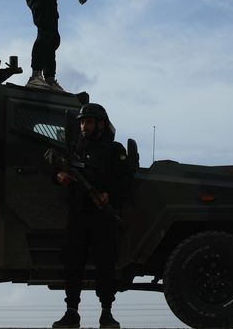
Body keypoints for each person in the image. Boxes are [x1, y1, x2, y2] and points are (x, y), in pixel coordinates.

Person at [52, 103, 134, 329]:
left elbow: (127, 181)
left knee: (105, 264)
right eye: (81, 122)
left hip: (102, 216)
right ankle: (71, 312)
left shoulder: (113, 150)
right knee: (72, 263)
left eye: (87, 122)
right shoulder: (73, 149)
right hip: (78, 214)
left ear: (100, 124)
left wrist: (109, 195)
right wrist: (60, 176)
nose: (83, 126)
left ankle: (106, 313)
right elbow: (56, 169)